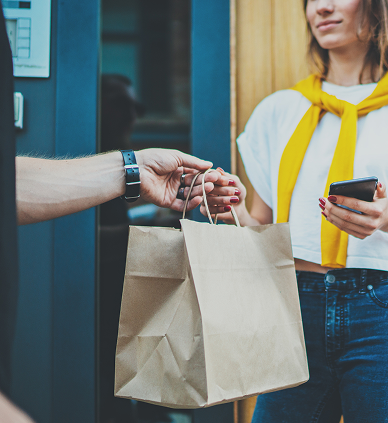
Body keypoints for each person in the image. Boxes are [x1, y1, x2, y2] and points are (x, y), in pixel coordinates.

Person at [205, 0, 388, 421]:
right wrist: (233, 211)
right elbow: (264, 229)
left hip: (383, 310)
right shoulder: (279, 110)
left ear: (379, 8)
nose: (322, 7)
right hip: (296, 306)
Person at [0, 8, 225, 420]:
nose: (133, 114)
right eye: (122, 105)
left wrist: (133, 172)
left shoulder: (117, 175)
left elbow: (8, 184)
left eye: (136, 105)